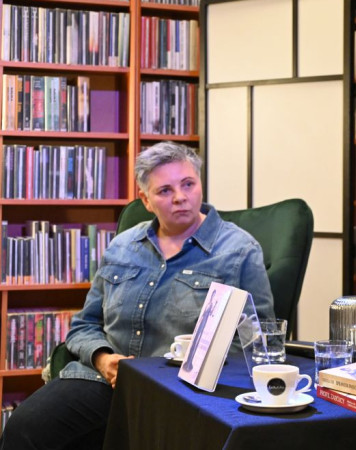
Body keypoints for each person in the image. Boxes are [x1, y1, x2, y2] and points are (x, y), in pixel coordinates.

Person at [0, 141, 275, 449]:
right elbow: (84, 325)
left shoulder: (239, 251)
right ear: (146, 200)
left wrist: (187, 372)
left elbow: (258, 343)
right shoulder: (123, 245)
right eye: (165, 190)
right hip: (104, 381)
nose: (180, 197)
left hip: (184, 392)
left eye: (188, 184)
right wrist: (103, 360)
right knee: (24, 428)